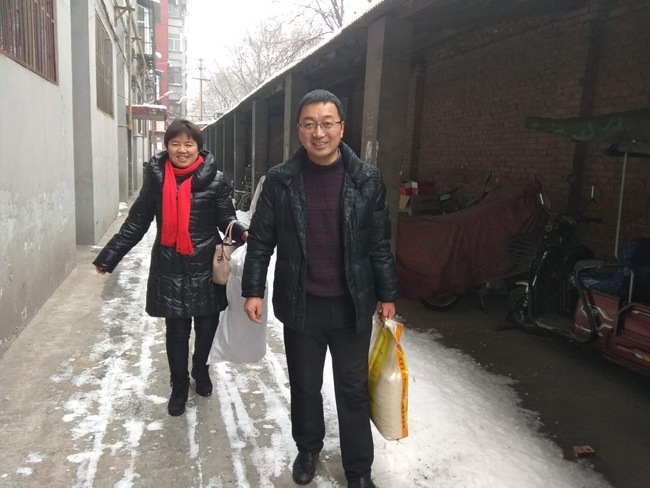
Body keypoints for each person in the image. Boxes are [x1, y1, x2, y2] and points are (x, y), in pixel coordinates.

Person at [242, 89, 399, 488]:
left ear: (342, 127)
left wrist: (388, 294)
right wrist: (253, 290)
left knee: (352, 389)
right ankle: (308, 448)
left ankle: (358, 470)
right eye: (310, 124)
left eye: (327, 123)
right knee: (305, 386)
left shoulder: (366, 179)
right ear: (299, 130)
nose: (319, 132)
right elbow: (260, 241)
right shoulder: (280, 181)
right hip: (302, 304)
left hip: (351, 305)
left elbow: (379, 243)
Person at [94, 119, 248, 417]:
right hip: (169, 265)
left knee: (206, 327)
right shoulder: (156, 180)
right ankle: (179, 385)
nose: (182, 150)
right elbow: (136, 222)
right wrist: (109, 256)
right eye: (175, 143)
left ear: (198, 148)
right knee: (176, 331)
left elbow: (226, 219)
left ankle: (201, 370)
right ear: (166, 146)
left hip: (206, 266)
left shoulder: (215, 180)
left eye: (189, 144)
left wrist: (242, 232)